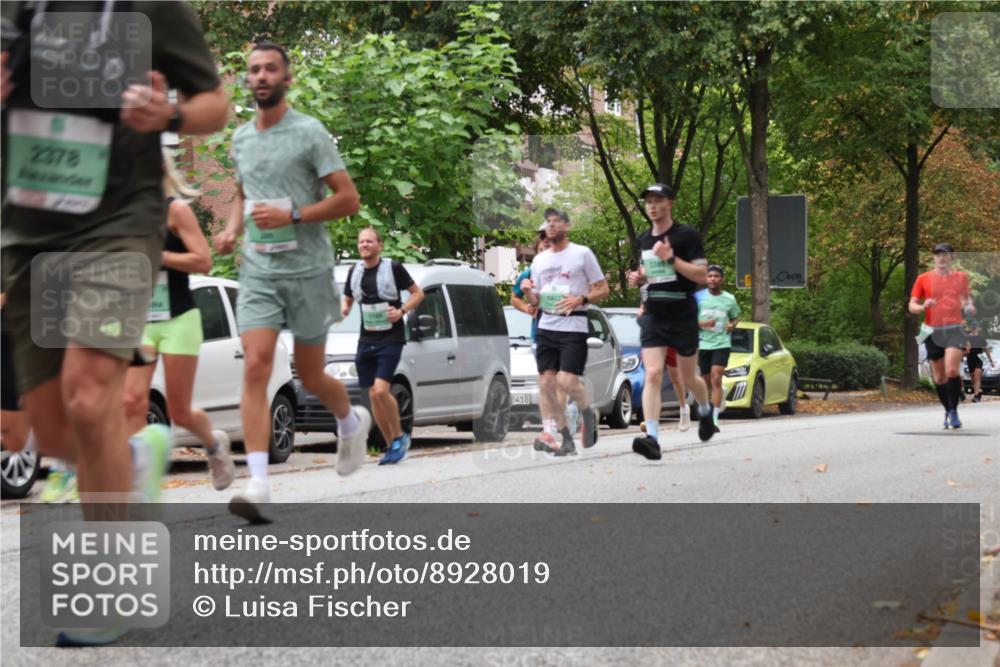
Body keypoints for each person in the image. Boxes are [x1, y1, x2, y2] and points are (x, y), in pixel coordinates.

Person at [1, 0, 228, 645]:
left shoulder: (146, 7)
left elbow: (215, 102)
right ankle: (131, 458)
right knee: (50, 432)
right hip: (30, 229)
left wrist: (173, 114)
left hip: (119, 224)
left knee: (88, 392)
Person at [213, 42, 368, 522]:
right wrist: (232, 228)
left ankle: (349, 422)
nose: (260, 75)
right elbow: (242, 191)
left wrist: (294, 213)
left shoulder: (309, 133)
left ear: (286, 78)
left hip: (306, 269)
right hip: (259, 270)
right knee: (255, 366)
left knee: (311, 372)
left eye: (270, 69)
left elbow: (348, 200)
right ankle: (258, 484)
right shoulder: (240, 138)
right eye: (254, 69)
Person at [122, 150, 234, 490]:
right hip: (140, 318)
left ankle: (214, 446)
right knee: (131, 400)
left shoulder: (176, 210)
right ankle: (135, 480)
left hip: (179, 318)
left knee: (180, 411)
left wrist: (162, 256)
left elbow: (203, 261)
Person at [627, 183, 714, 461]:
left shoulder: (686, 235)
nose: (652, 206)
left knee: (690, 378)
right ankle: (652, 438)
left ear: (670, 203)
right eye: (648, 201)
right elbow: (651, 271)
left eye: (658, 200)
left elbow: (701, 276)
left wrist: (672, 257)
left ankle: (705, 410)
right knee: (652, 372)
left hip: (683, 313)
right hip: (654, 313)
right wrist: (639, 277)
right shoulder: (643, 240)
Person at [520, 208, 609, 456]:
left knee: (567, 381)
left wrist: (580, 299)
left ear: (567, 226)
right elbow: (536, 302)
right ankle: (566, 438)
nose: (551, 226)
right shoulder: (539, 260)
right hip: (546, 327)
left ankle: (588, 412)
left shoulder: (581, 254)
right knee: (547, 384)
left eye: (556, 222)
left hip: (574, 327)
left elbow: (603, 290)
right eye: (548, 222)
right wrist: (528, 292)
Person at [341, 228, 424, 464]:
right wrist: (344, 308)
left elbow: (418, 294)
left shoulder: (393, 268)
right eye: (361, 241)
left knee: (380, 390)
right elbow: (347, 298)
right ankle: (391, 446)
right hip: (366, 339)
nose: (364, 245)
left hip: (391, 338)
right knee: (373, 395)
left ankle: (399, 436)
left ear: (380, 245)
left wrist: (401, 311)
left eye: (369, 241)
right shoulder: (354, 271)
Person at [908, 243, 974, 429]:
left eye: (945, 254)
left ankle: (954, 411)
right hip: (932, 330)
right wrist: (922, 307)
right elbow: (911, 305)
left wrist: (969, 306)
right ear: (934, 258)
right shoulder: (923, 278)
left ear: (952, 257)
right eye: (937, 255)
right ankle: (947, 408)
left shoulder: (961, 277)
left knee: (952, 371)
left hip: (954, 329)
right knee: (939, 378)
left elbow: (966, 299)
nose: (941, 258)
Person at [697, 265, 740, 428]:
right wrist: (704, 324)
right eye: (710, 276)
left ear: (722, 279)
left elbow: (735, 318)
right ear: (706, 279)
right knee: (705, 383)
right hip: (703, 343)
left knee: (716, 377)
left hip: (722, 343)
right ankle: (707, 410)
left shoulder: (729, 299)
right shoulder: (699, 298)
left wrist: (732, 325)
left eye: (716, 276)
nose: (713, 279)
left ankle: (714, 420)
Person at [965, 324, 993, 403]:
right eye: (973, 328)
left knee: (977, 376)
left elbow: (986, 350)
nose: (974, 330)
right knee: (973, 379)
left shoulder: (981, 338)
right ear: (971, 329)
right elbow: (965, 349)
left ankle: (976, 396)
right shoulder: (967, 338)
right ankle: (978, 392)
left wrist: (990, 360)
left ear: (977, 329)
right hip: (970, 359)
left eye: (975, 328)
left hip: (979, 359)